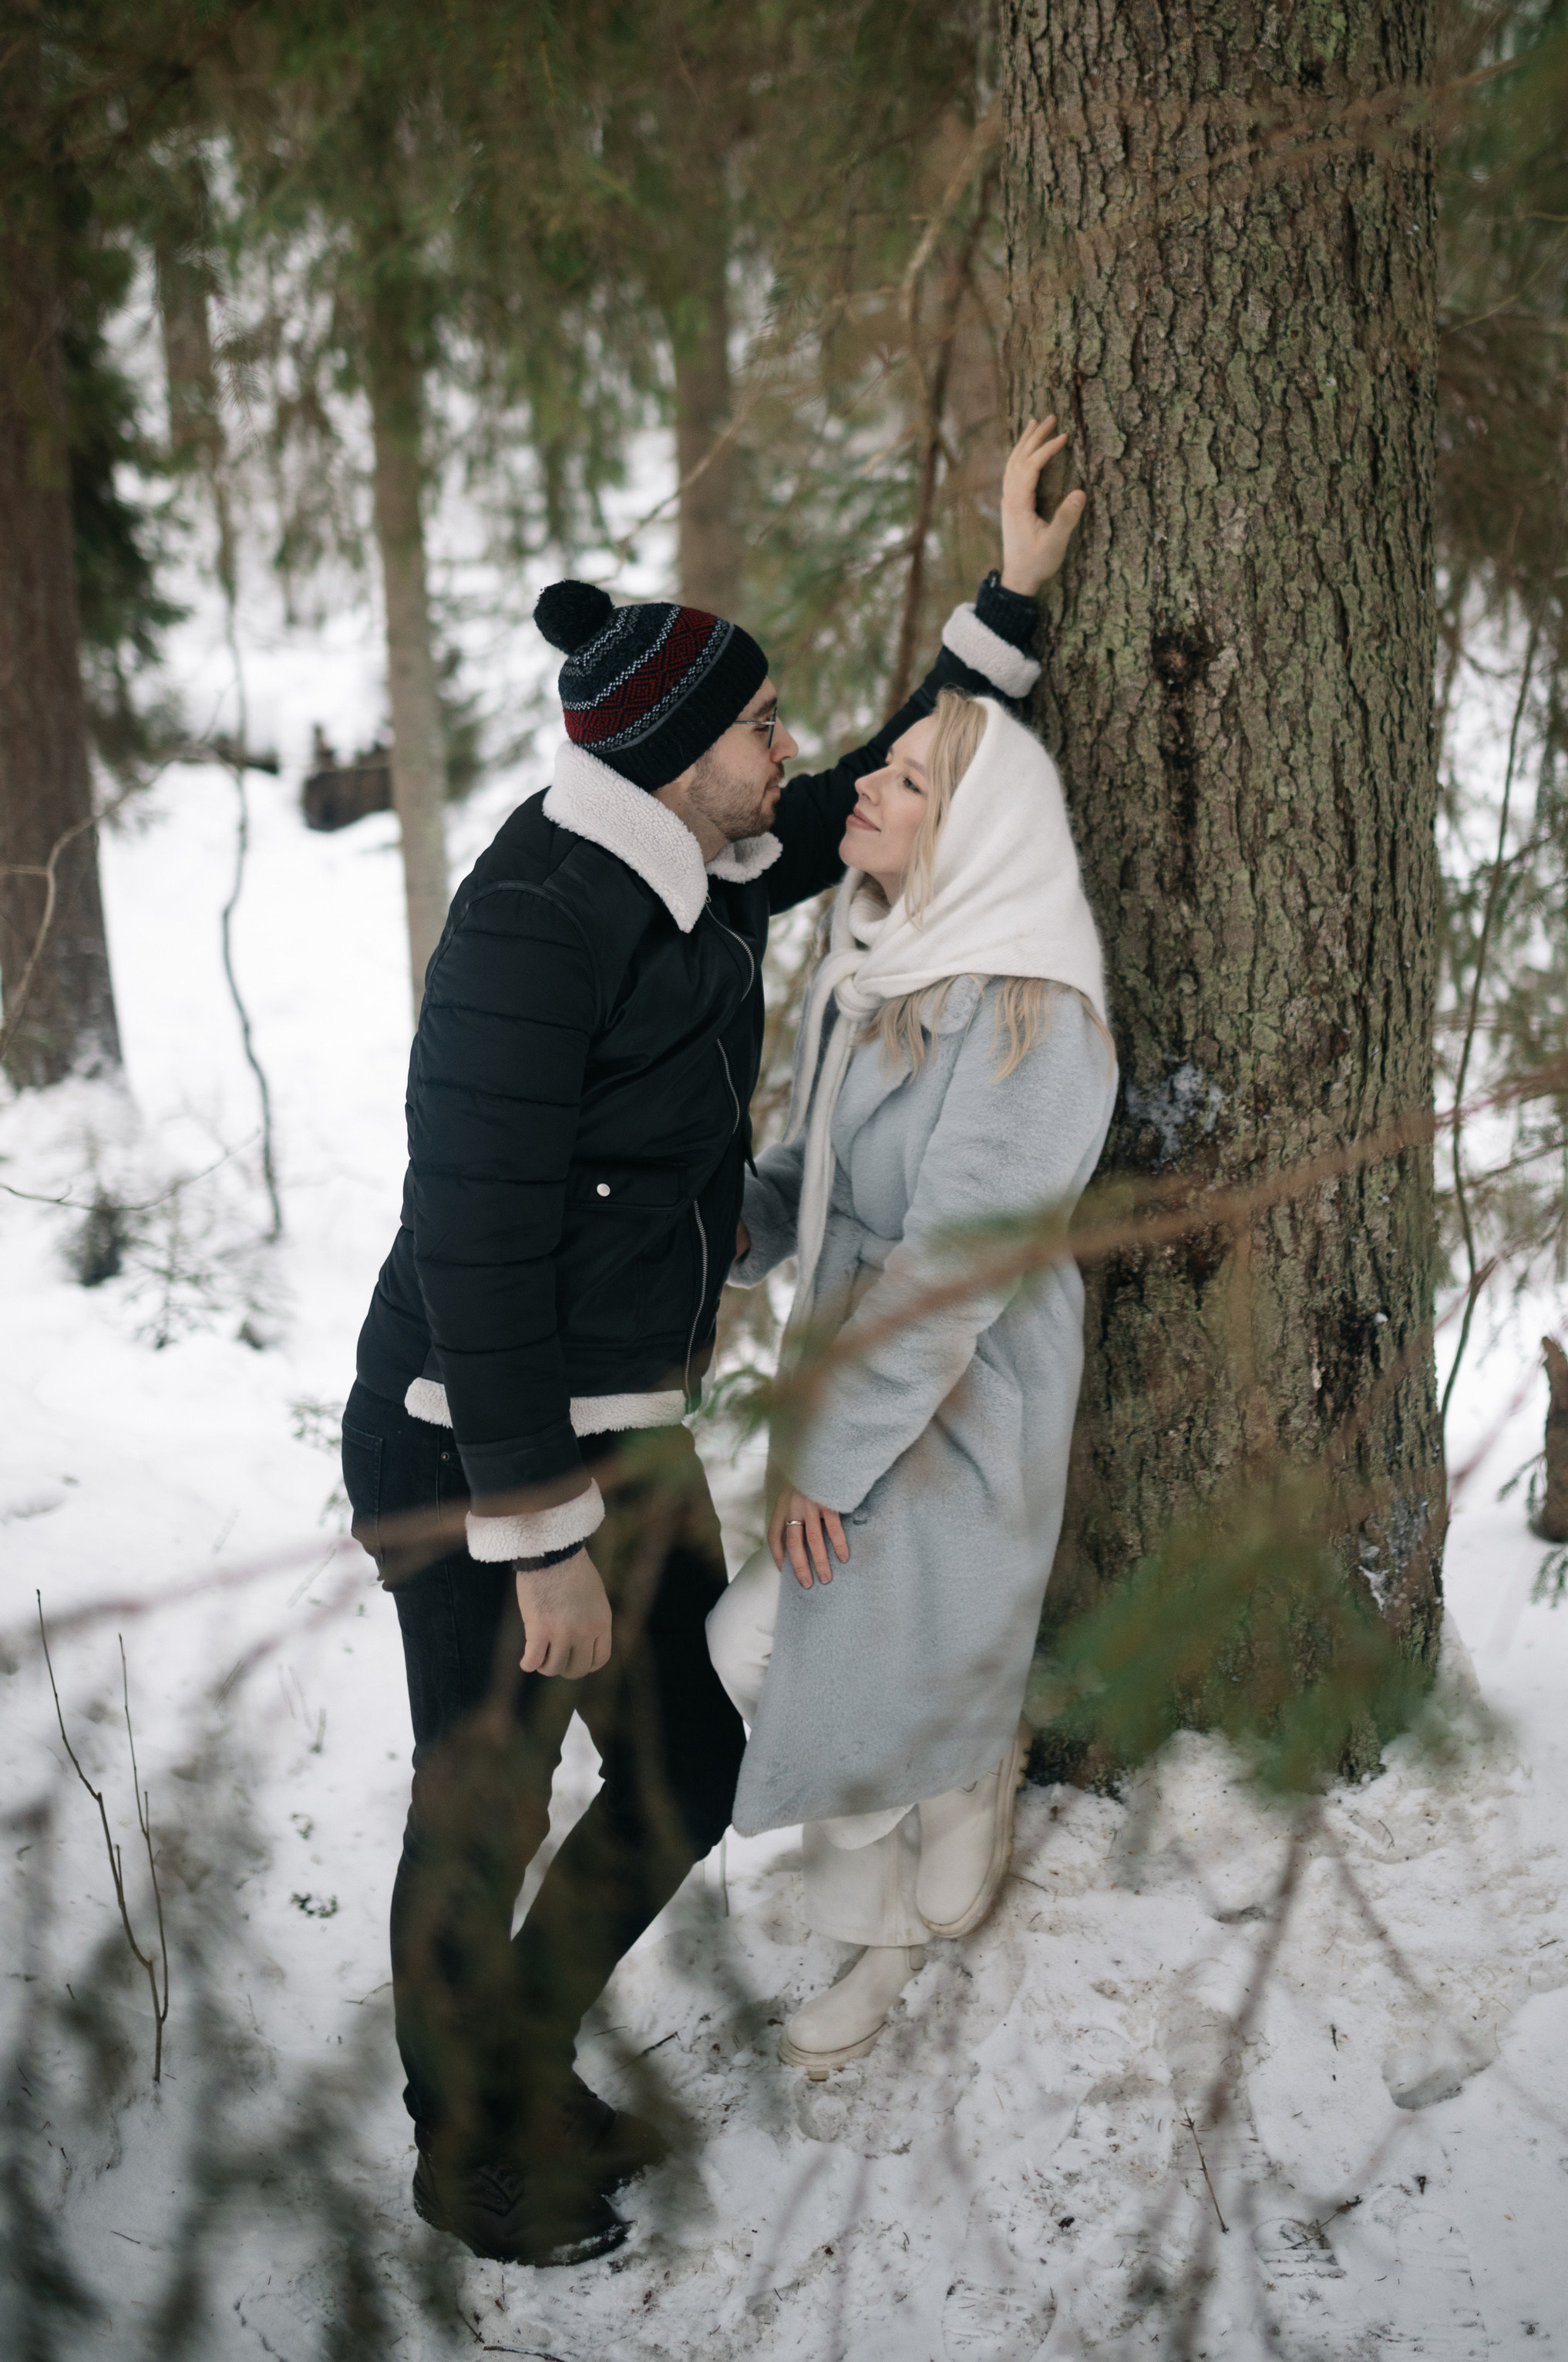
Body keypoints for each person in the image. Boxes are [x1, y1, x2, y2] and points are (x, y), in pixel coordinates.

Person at [340, 425, 1085, 2266]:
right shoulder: (533, 921)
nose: (790, 753)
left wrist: (1004, 604)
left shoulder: (691, 869)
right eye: (760, 729)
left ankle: (510, 2050)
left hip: (613, 1425)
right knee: (481, 1797)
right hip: (473, 1444)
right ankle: (471, 2152)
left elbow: (867, 796)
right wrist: (538, 1539)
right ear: (683, 762)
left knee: (677, 1752)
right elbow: (475, 1237)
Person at [704, 682, 1115, 2079]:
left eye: (911, 783)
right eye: (881, 766)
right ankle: (875, 1922)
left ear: (981, 836)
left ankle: (960, 1756)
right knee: (794, 1637)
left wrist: (826, 1458)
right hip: (856, 1366)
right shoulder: (868, 963)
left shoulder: (1035, 1015)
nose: (862, 784)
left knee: (777, 1637)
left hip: (962, 1392)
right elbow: (808, 1177)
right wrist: (730, 1231)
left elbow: (953, 1266)